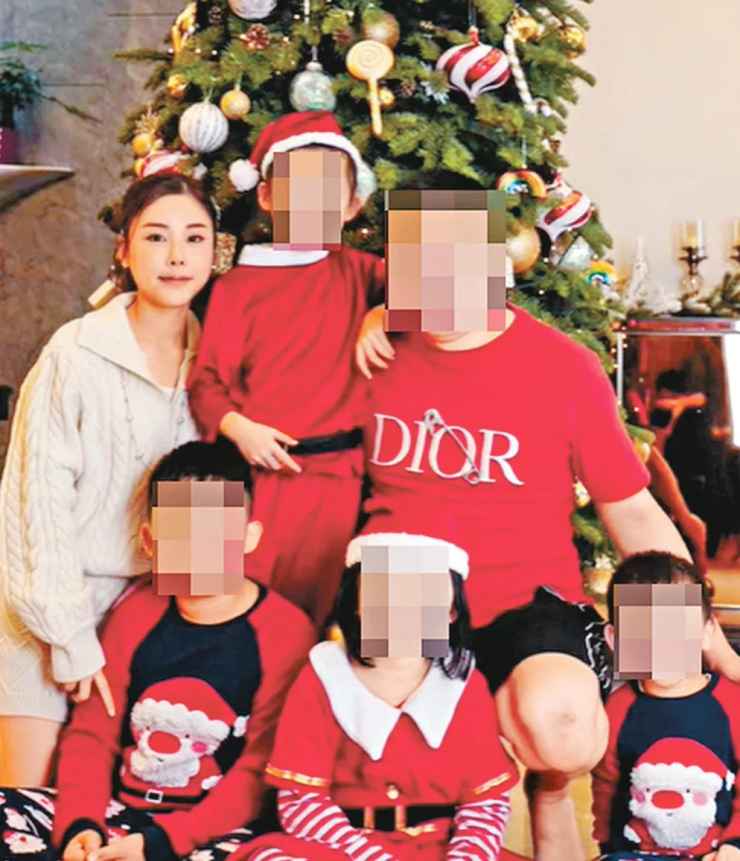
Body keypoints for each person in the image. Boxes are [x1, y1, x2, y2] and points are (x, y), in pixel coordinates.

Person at [353, 189, 740, 861]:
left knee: (562, 730)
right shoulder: (375, 350)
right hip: (403, 601)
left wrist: (700, 627)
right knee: (383, 755)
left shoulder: (560, 366)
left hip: (526, 602)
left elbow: (631, 509)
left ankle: (548, 793)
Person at [0, 440, 316, 861]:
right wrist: (81, 825)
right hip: (120, 815)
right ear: (150, 541)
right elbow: (93, 734)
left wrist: (162, 844)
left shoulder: (286, 631)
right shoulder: (135, 613)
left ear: (248, 537)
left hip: (216, 831)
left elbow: (260, 769)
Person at [0, 173, 215, 786]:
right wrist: (69, 638)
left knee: (123, 809)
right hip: (47, 614)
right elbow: (33, 508)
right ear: (124, 250)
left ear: (215, 252)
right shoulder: (75, 352)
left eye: (194, 238)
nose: (176, 257)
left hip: (153, 620)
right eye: (156, 237)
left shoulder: (217, 362)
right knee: (25, 808)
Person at [187, 110, 385, 625]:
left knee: (322, 616)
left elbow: (433, 292)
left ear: (352, 205)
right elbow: (206, 382)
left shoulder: (362, 274)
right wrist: (238, 427)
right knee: (254, 609)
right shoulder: (238, 289)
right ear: (268, 196)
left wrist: (380, 315)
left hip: (341, 480)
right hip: (265, 477)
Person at [237, 532, 518, 861]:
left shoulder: (463, 684)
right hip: (340, 847)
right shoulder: (324, 675)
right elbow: (301, 801)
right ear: (356, 604)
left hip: (439, 849)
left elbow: (484, 804)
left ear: (451, 611)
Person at [592, 552, 740, 861]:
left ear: (706, 633)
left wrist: (734, 845)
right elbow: (607, 787)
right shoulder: (617, 710)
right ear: (615, 639)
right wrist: (609, 848)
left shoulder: (731, 704)